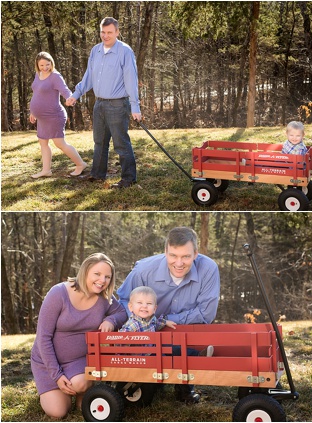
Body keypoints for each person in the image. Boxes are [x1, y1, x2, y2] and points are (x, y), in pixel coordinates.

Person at [116, 227, 220, 403]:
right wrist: (143, 319)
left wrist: (165, 321)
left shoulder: (208, 269)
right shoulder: (143, 270)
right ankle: (153, 381)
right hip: (147, 333)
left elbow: (206, 313)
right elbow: (124, 300)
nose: (179, 263)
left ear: (195, 253)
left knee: (188, 340)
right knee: (152, 385)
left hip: (185, 331)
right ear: (165, 252)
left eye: (186, 256)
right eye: (173, 255)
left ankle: (184, 386)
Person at [30, 253, 126, 418]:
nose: (102, 280)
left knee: (80, 386)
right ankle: (58, 391)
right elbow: (43, 338)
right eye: (97, 274)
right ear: (85, 271)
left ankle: (81, 391)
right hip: (47, 362)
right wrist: (57, 375)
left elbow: (122, 313)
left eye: (107, 277)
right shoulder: (59, 293)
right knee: (58, 411)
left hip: (77, 361)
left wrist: (111, 320)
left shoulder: (104, 297)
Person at [67, 17, 142, 189]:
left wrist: (135, 106)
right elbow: (89, 77)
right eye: (103, 32)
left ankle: (129, 179)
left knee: (121, 143)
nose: (105, 36)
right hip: (99, 104)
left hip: (117, 105)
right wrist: (76, 94)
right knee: (99, 141)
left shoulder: (125, 51)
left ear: (117, 32)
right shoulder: (96, 51)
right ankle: (97, 174)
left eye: (109, 32)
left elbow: (131, 79)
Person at [28, 52, 87, 179]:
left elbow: (65, 90)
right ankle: (46, 170)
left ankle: (80, 164)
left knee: (59, 143)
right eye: (42, 65)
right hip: (42, 117)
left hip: (54, 116)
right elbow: (37, 93)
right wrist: (33, 111)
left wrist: (70, 98)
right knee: (43, 142)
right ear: (37, 65)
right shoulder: (38, 74)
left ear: (51, 63)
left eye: (47, 64)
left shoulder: (55, 76)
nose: (45, 67)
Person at [120, 286, 213, 357]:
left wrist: (165, 322)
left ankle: (198, 355)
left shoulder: (152, 319)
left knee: (173, 348)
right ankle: (175, 374)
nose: (144, 306)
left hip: (154, 351)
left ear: (155, 308)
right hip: (143, 358)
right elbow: (120, 340)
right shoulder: (132, 325)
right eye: (140, 303)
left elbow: (156, 323)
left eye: (149, 303)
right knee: (164, 357)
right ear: (131, 307)